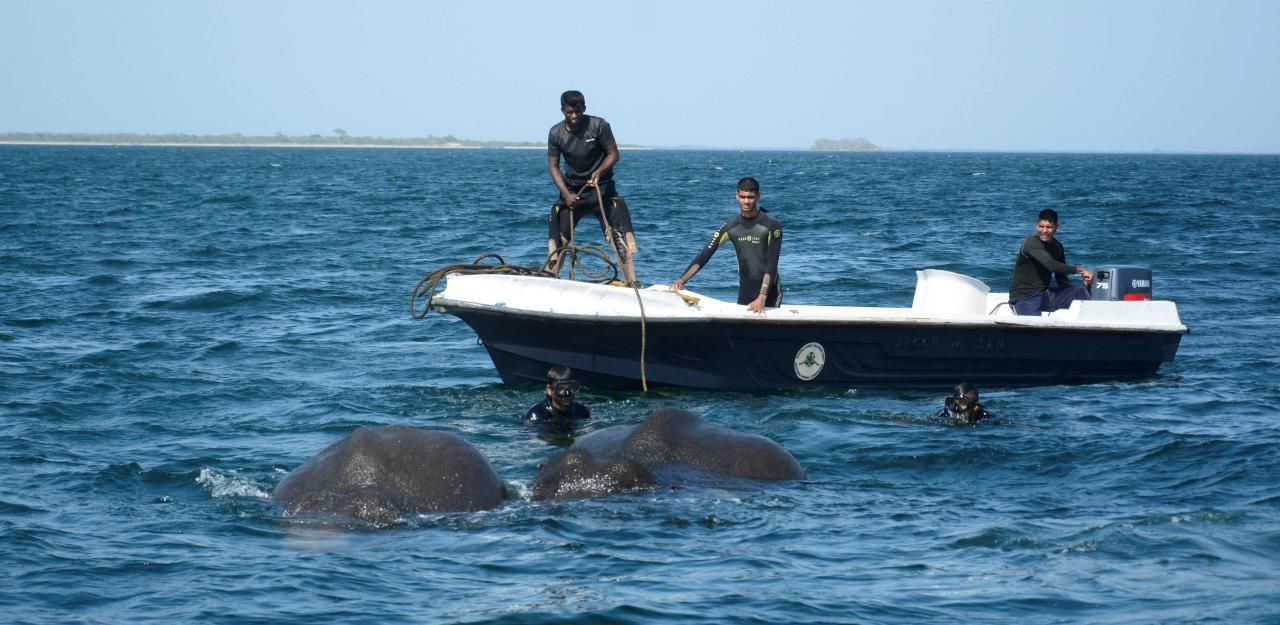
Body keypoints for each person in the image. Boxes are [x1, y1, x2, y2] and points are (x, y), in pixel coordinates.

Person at [546, 90, 638, 284]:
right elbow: (553, 166)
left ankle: (632, 282)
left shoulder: (599, 125)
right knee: (560, 241)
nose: (574, 116)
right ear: (562, 110)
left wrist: (599, 172)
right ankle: (550, 278)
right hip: (573, 194)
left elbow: (613, 154)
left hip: (602, 192)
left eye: (578, 111)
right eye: (569, 112)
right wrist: (566, 194)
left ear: (584, 109)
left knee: (618, 239)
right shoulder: (556, 133)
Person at [669, 177, 782, 314]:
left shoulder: (771, 226)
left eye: (750, 197)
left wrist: (762, 297)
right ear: (737, 196)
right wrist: (681, 280)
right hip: (745, 292)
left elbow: (772, 264)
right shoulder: (730, 226)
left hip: (769, 294)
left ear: (758, 196)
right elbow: (705, 255)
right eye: (743, 197)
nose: (746, 201)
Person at [1009, 208, 1093, 316]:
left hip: (1045, 295)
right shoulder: (1031, 242)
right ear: (1036, 225)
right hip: (1024, 298)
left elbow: (1061, 278)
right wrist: (1080, 270)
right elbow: (1051, 265)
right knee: (1035, 325)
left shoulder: (1057, 247)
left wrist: (1088, 283)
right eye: (1041, 226)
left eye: (1049, 227)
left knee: (1079, 291)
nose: (1044, 231)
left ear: (1057, 227)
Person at [524, 365, 591, 424]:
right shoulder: (535, 416)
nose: (567, 393)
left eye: (571, 387)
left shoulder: (582, 411)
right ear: (549, 390)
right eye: (561, 389)